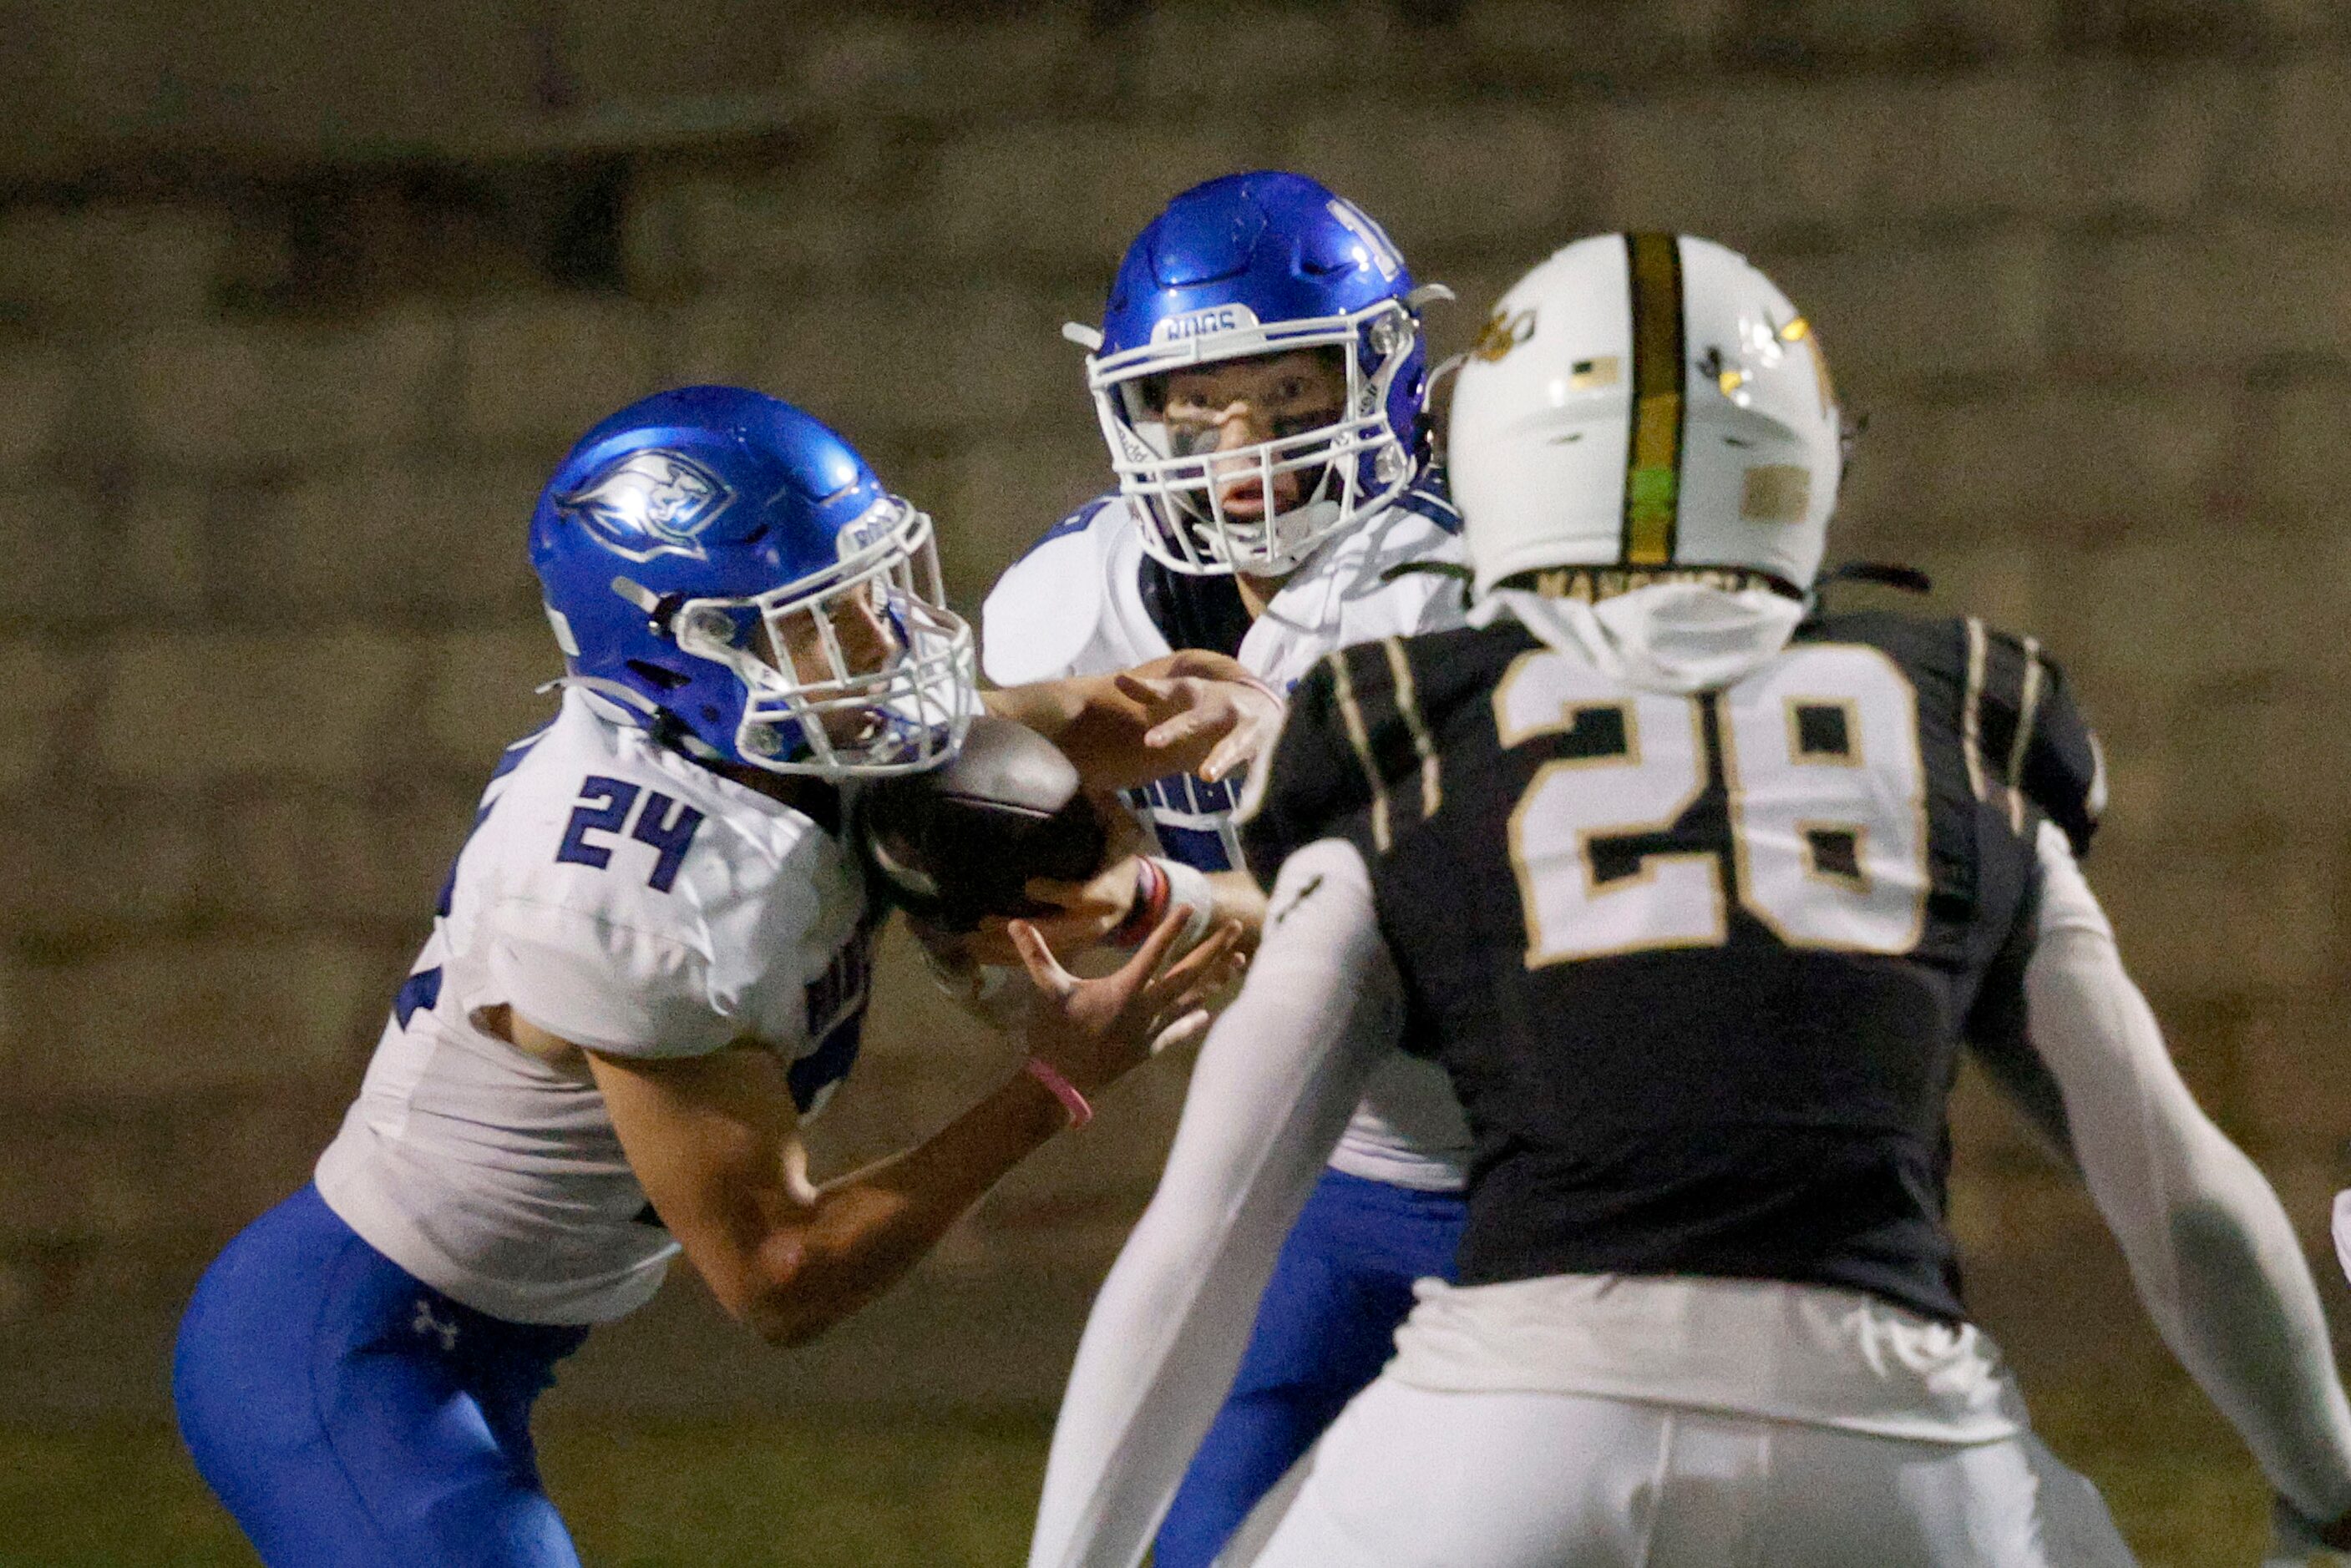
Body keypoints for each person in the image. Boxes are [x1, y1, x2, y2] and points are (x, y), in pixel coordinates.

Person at [1025, 235, 2351, 1566]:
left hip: (1513, 1417)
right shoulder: (1956, 716)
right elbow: (2179, 1196)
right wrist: (2326, 1486)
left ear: (1490, 461)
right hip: (1893, 1418)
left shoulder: (1398, 725)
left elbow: (1199, 1241)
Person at [170, 385, 1252, 1568]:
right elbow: (783, 1275)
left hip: (482, 1333)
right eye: (822, 620)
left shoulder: (761, 737)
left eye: (873, 589)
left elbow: (999, 733)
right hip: (352, 1349)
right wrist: (1053, 1085)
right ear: (678, 659)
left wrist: (1184, 722)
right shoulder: (629, 895)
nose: (884, 639)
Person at [975, 170, 1476, 1568]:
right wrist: (1003, 956)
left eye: (1293, 394)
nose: (1238, 450)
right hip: (1341, 1169)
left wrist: (1289, 762)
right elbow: (954, 835)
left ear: (1380, 383)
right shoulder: (1071, 602)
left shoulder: (1451, 594)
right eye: (1196, 406)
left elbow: (1428, 920)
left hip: (1562, 1179)